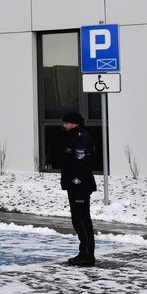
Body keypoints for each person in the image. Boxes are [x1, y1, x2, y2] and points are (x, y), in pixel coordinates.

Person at [58, 111, 97, 267]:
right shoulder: (73, 137)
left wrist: (76, 181)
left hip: (80, 185)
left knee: (82, 219)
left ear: (74, 123)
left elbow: (82, 164)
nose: (64, 125)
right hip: (74, 184)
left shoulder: (80, 138)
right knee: (77, 220)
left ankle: (88, 254)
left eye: (66, 123)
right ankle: (84, 252)